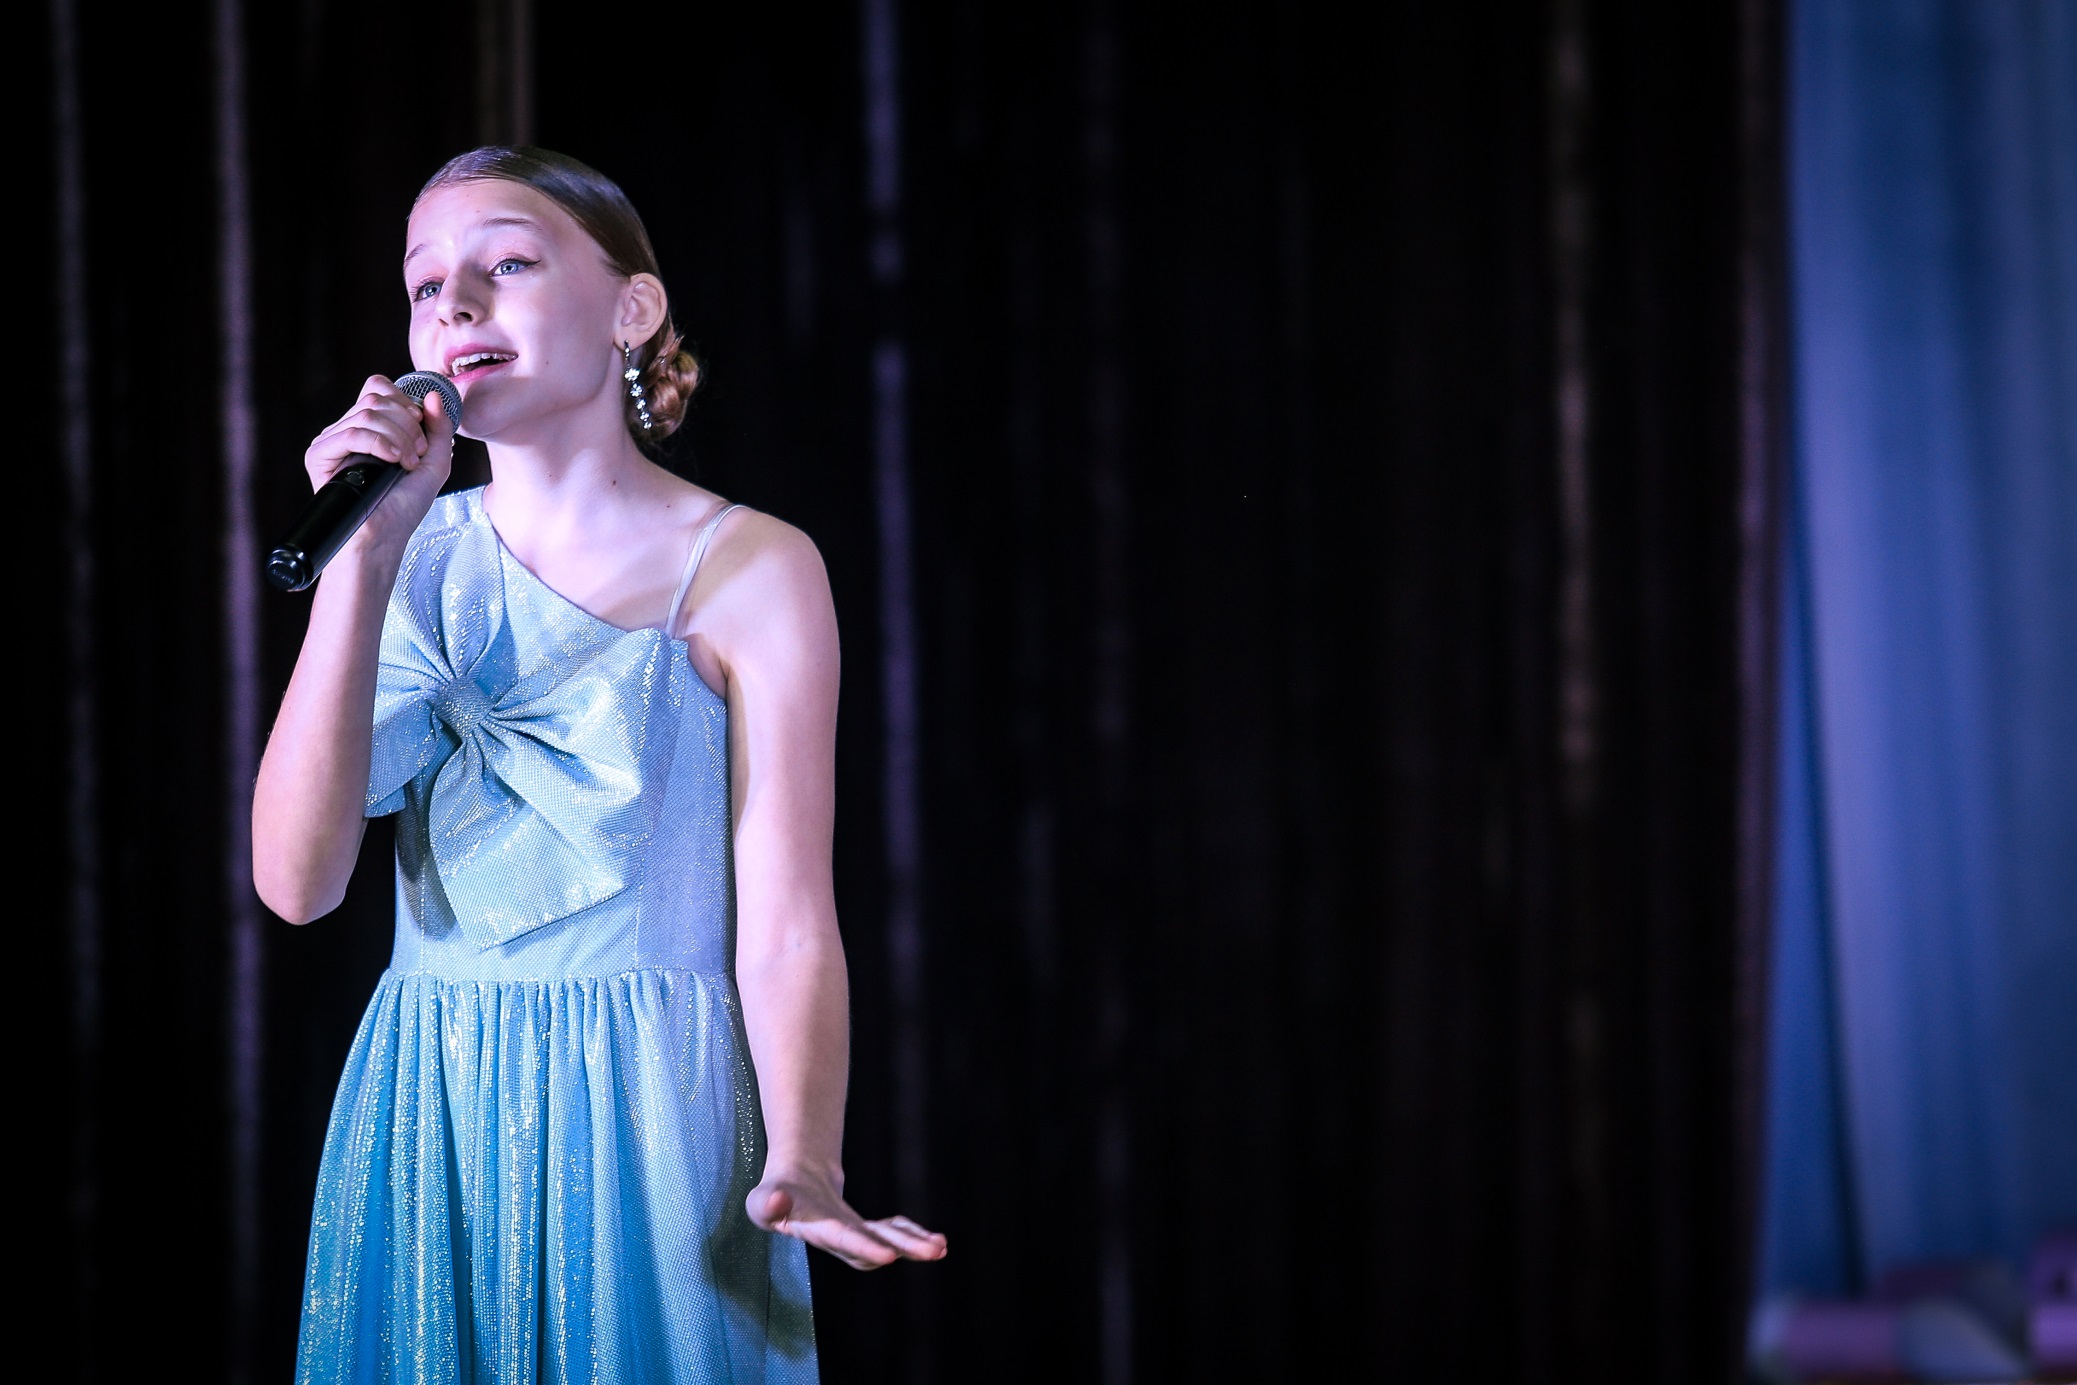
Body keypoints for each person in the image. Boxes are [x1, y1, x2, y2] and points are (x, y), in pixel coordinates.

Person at [253, 146, 945, 1384]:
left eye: (508, 264)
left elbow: (789, 917)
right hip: (437, 1100)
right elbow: (296, 884)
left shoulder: (752, 565)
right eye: (425, 285)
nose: (455, 305)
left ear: (633, 308)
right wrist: (361, 564)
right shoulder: (411, 556)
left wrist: (807, 1151)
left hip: (652, 1112)